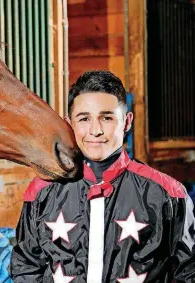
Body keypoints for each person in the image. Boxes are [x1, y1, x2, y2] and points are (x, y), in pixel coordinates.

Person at [10, 70, 195, 282]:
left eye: (106, 118)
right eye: (84, 119)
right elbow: (26, 267)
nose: (95, 130)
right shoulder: (41, 192)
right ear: (69, 123)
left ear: (126, 122)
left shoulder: (167, 194)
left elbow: (188, 271)